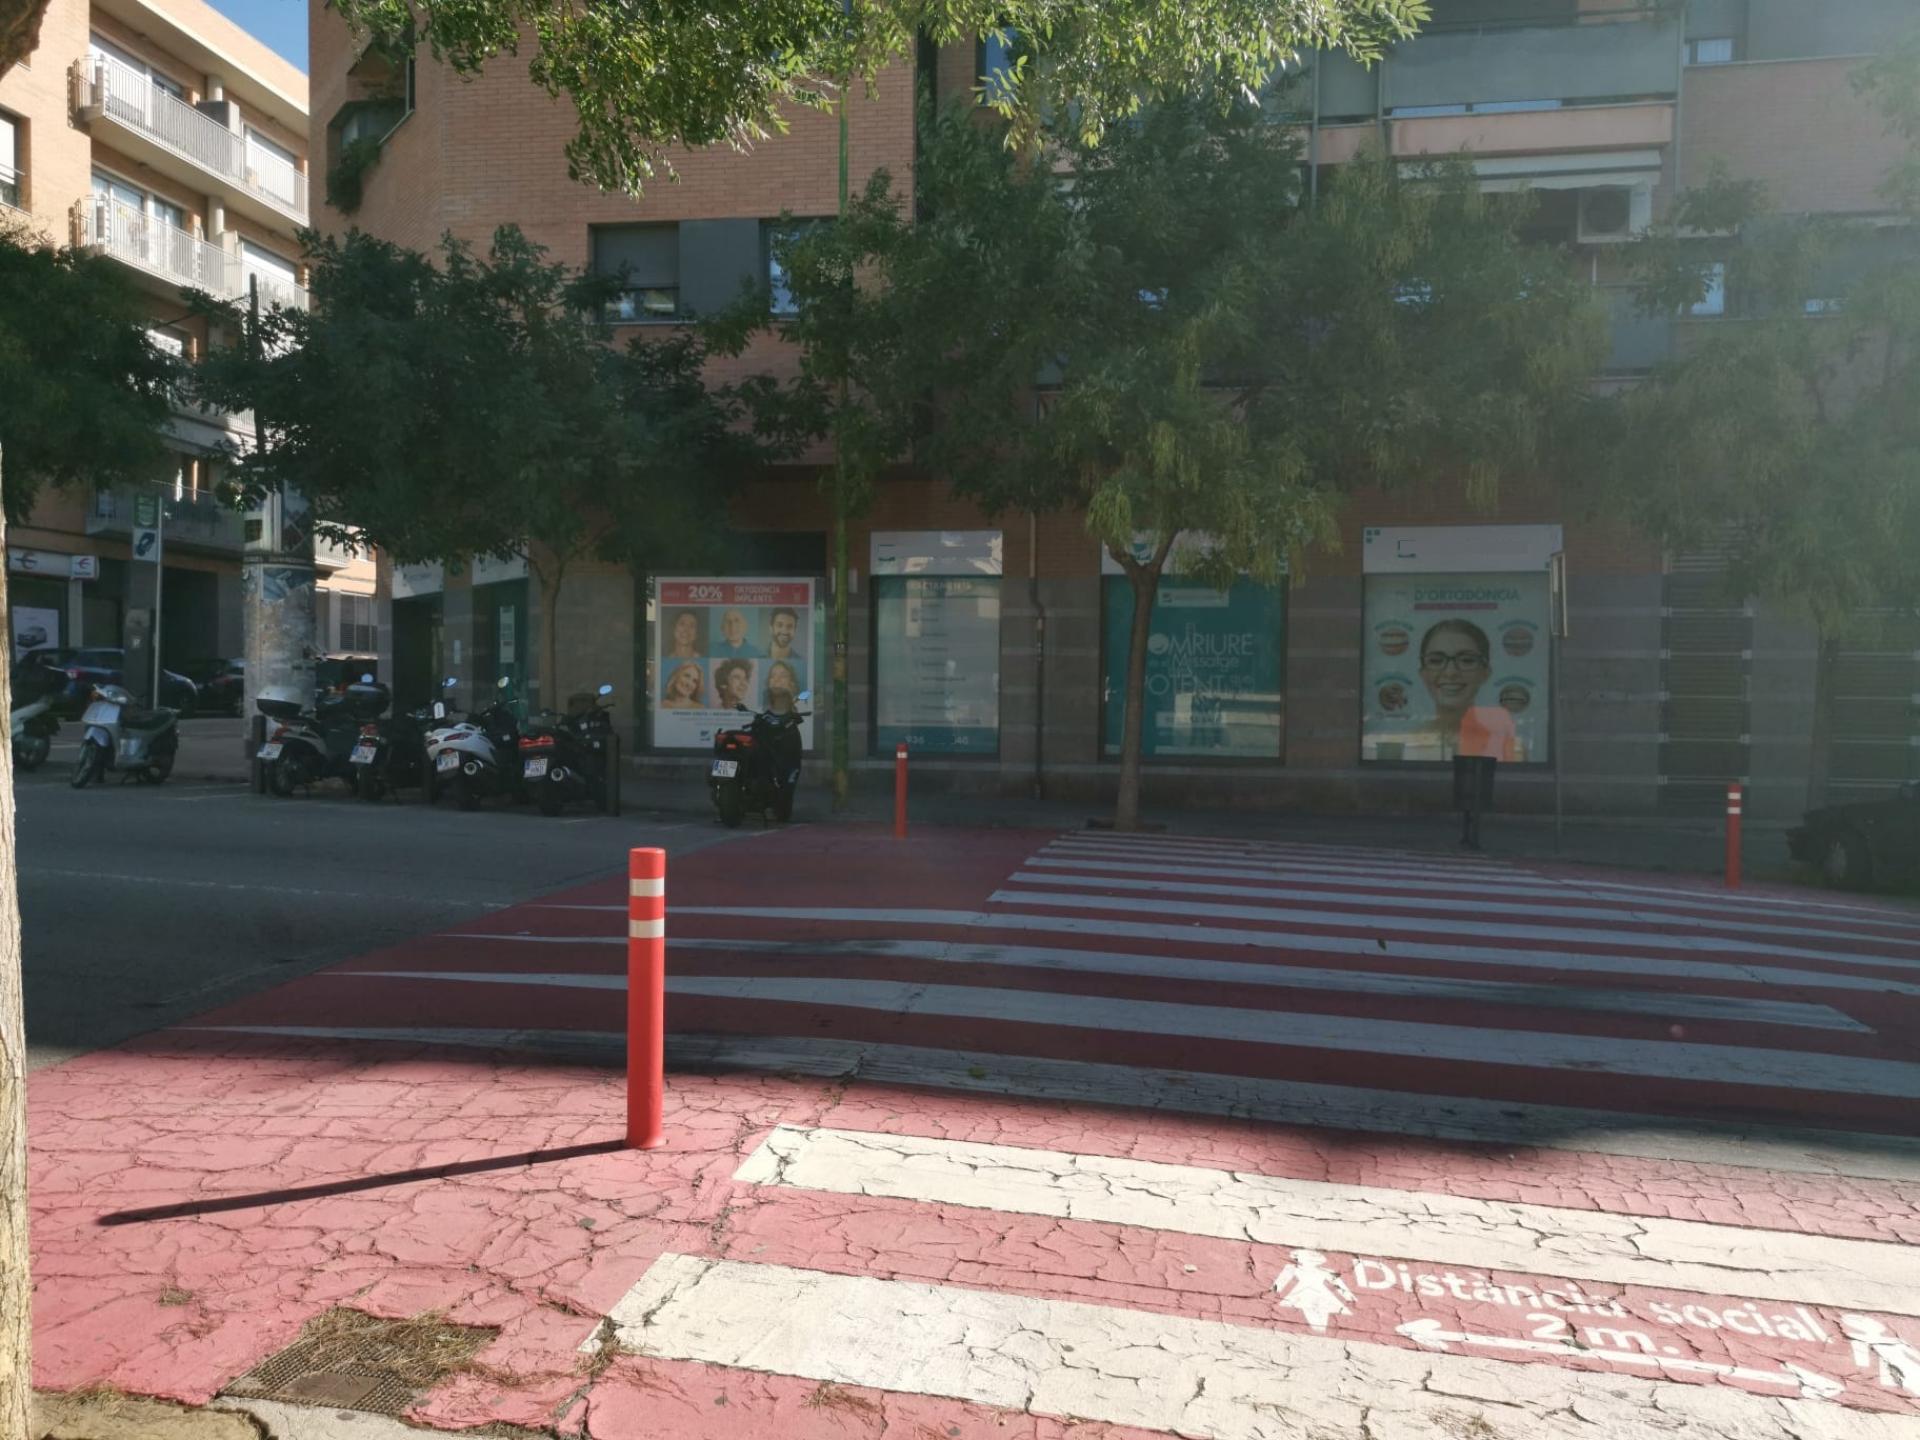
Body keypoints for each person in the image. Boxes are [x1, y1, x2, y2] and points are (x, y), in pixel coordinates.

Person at [1419, 618, 1514, 850]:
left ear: (1485, 672)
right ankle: (1469, 834)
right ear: (1422, 672)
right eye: (1436, 660)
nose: (1451, 672)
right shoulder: (1410, 736)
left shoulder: (1496, 726)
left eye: (1467, 660)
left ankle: (1471, 834)